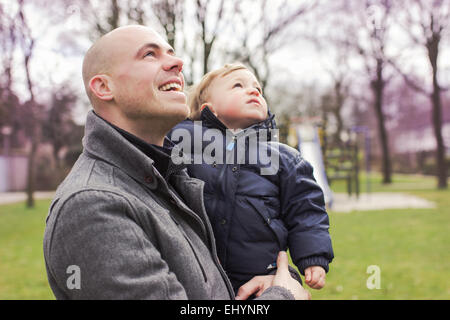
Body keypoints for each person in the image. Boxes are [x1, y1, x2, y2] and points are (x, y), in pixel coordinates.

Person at [43, 25, 310, 300]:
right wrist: (283, 296)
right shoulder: (92, 204)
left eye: (171, 53)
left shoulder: (168, 175)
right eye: (149, 54)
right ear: (103, 87)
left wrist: (272, 280)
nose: (177, 61)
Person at [169, 63, 334, 294]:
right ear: (210, 108)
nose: (254, 91)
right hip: (197, 275)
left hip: (258, 276)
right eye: (238, 85)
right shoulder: (186, 141)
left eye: (258, 88)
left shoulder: (282, 156)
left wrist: (313, 255)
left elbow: (305, 208)